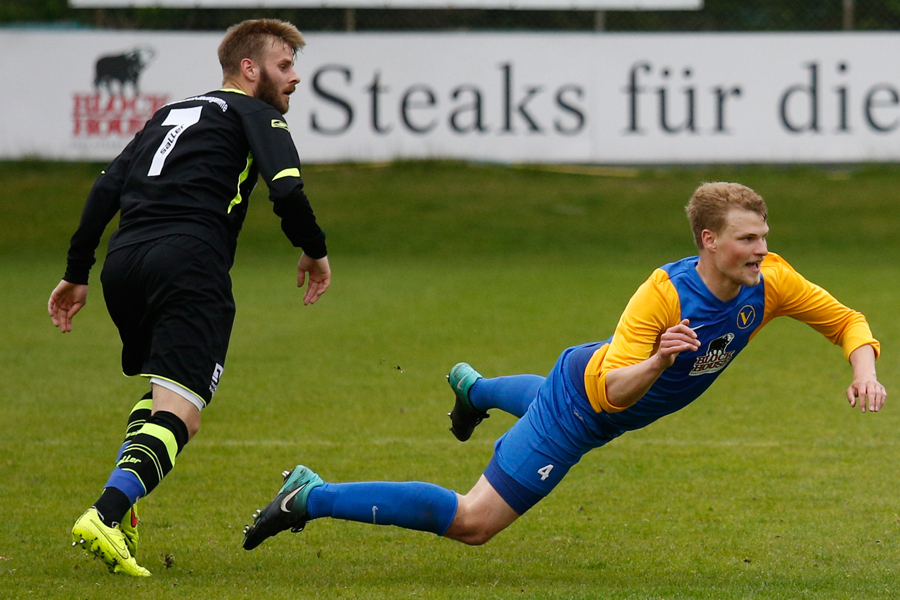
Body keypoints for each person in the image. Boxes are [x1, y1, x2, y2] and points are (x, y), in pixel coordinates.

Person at [241, 182, 885, 551]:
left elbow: (847, 321)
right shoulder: (663, 294)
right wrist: (662, 358)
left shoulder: (770, 281)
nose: (761, 251)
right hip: (585, 406)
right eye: (748, 240)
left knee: (548, 392)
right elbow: (610, 396)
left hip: (585, 385)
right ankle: (311, 494)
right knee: (474, 523)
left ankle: (474, 389)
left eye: (764, 238)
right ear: (709, 242)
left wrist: (864, 370)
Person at [48, 19, 330, 576]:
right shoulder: (257, 114)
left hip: (124, 264)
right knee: (184, 412)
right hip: (189, 263)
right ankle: (106, 512)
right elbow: (287, 189)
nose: (295, 77)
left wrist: (77, 271)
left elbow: (106, 188)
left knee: (163, 393)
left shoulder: (168, 115)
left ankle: (124, 510)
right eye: (284, 66)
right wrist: (314, 251)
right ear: (249, 69)